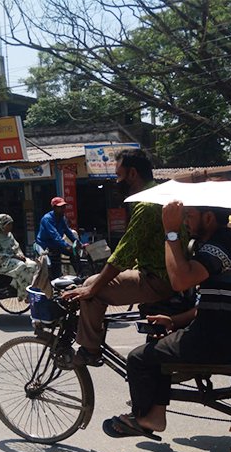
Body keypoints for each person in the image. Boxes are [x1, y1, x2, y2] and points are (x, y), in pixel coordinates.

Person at [101, 200, 231, 439]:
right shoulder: (224, 243)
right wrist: (174, 321)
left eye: (190, 216)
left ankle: (147, 417)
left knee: (138, 358)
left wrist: (171, 232)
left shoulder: (218, 247)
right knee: (159, 342)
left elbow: (179, 281)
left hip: (220, 339)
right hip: (226, 332)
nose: (186, 221)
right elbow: (209, 303)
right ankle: (155, 413)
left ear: (208, 218)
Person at [62, 148, 175, 367]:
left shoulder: (147, 205)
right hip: (166, 274)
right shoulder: (159, 196)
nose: (116, 180)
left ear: (132, 174)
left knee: (90, 286)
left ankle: (90, 349)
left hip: (157, 280)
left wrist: (92, 290)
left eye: (118, 175)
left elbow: (122, 254)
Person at [0, 214, 38, 301]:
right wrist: (14, 256)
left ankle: (27, 289)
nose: (10, 227)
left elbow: (16, 246)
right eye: (8, 224)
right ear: (1, 225)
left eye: (11, 224)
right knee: (21, 266)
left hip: (13, 258)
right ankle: (25, 294)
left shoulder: (8, 235)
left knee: (33, 265)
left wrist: (20, 254)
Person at [36, 196, 80, 280]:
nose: (63, 209)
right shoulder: (47, 219)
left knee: (73, 254)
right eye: (61, 207)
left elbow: (68, 232)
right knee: (50, 265)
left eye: (64, 207)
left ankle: (79, 274)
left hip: (55, 244)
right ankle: (51, 280)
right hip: (45, 245)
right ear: (54, 208)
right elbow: (55, 236)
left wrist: (78, 243)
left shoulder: (61, 218)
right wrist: (66, 246)